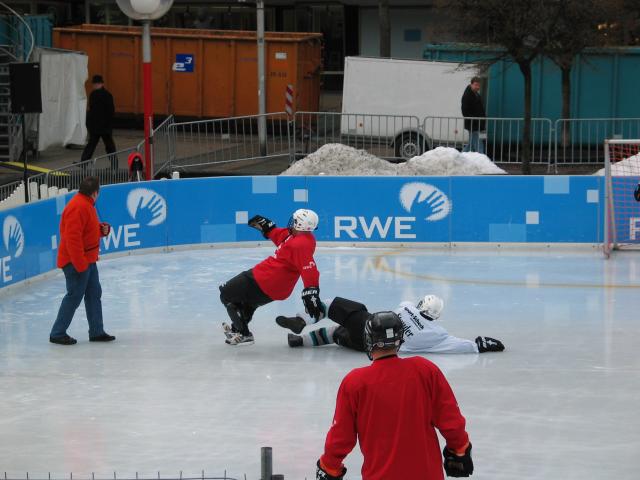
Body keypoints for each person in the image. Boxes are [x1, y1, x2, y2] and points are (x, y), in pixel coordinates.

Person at [316, 311, 474, 480]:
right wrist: (459, 449)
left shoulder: (355, 382)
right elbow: (450, 420)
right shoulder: (425, 370)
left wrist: (329, 465)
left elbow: (341, 436)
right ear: (400, 338)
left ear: (369, 340)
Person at [219, 209, 324, 346]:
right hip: (276, 287)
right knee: (248, 304)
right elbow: (282, 237)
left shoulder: (301, 244)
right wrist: (269, 228)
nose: (292, 223)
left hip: (265, 278)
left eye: (295, 220)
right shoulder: (299, 237)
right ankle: (237, 330)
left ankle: (243, 334)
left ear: (300, 225)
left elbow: (309, 269)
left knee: (226, 294)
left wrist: (311, 292)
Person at [277, 294, 505, 354]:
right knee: (338, 333)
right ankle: (301, 341)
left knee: (331, 306)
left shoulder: (406, 306)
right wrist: (479, 345)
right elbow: (461, 346)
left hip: (369, 324)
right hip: (371, 348)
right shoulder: (438, 334)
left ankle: (301, 322)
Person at [49, 177, 115, 345]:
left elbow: (87, 231)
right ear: (95, 193)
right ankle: (57, 333)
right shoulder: (77, 207)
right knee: (74, 296)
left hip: (87, 260)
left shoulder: (86, 204)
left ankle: (96, 331)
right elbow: (72, 239)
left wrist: (101, 230)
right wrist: (80, 265)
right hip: (77, 262)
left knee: (94, 294)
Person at [81, 74, 117, 169]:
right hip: (104, 127)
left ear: (101, 84)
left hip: (97, 127)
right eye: (95, 84)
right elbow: (111, 111)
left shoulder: (93, 95)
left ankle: (83, 164)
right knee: (109, 147)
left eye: (97, 84)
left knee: (91, 145)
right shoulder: (107, 95)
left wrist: (89, 124)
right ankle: (114, 165)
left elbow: (92, 111)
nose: (95, 85)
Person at [461, 76, 486, 154]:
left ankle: (460, 158)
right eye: (475, 85)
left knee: (471, 145)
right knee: (479, 145)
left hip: (479, 124)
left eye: (479, 85)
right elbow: (465, 111)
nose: (477, 87)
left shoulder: (476, 95)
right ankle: (482, 160)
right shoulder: (467, 95)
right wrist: (475, 120)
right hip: (474, 125)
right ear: (471, 84)